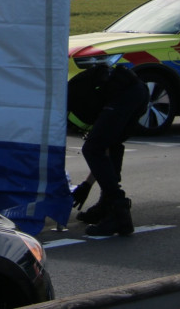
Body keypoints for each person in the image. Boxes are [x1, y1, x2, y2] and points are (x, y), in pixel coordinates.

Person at [66, 63, 148, 237]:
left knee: (92, 148)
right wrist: (86, 185)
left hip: (125, 95)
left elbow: (97, 149)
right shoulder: (72, 97)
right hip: (137, 91)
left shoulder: (66, 105)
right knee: (111, 144)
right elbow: (106, 149)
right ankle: (107, 205)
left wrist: (84, 186)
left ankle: (119, 212)